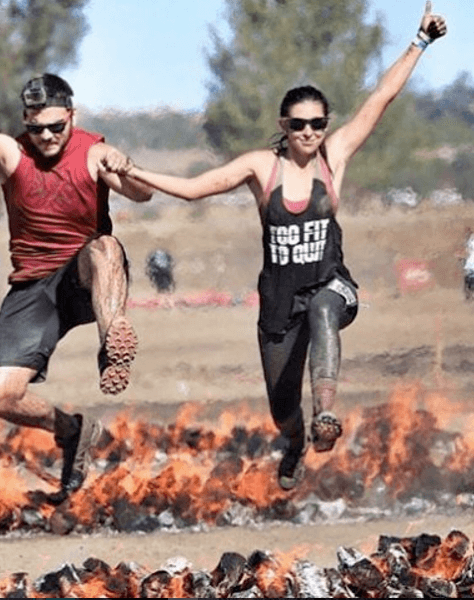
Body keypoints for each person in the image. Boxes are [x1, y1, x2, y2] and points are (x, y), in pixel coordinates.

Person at [108, 3, 447, 490]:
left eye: (317, 123)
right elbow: (192, 188)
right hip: (279, 302)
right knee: (281, 406)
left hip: (331, 285)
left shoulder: (335, 155)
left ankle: (325, 414)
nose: (309, 132)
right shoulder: (260, 168)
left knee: (325, 309)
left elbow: (381, 98)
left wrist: (419, 42)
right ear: (283, 126)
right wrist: (132, 171)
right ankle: (294, 441)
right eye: (299, 124)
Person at [0, 73, 153, 501]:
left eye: (57, 126)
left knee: (105, 246)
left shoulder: (94, 152)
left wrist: (125, 166)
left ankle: (113, 344)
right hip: (33, 290)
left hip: (85, 276)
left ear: (72, 116)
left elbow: (141, 194)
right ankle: (71, 431)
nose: (48, 136)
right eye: (37, 128)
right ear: (25, 122)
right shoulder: (10, 153)